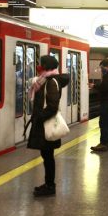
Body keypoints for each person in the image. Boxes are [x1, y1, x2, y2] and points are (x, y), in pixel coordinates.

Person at [27, 55, 69, 196]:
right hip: (43, 123)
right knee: (46, 155)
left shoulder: (51, 82)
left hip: (46, 124)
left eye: (40, 64)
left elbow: (52, 106)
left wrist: (39, 117)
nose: (38, 66)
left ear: (45, 66)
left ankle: (50, 186)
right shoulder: (45, 80)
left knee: (48, 156)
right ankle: (49, 184)